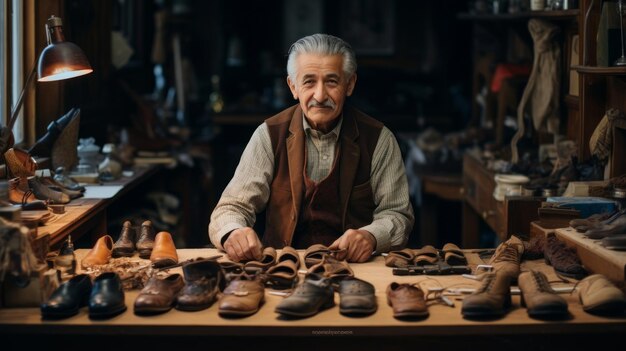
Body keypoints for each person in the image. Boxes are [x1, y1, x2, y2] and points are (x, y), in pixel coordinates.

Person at [209, 33, 414, 263]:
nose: (320, 95)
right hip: (283, 269)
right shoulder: (269, 135)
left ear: (350, 84)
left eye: (331, 81)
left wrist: (371, 236)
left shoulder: (378, 139)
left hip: (354, 267)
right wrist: (233, 232)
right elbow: (231, 207)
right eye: (309, 81)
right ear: (293, 87)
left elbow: (398, 214)